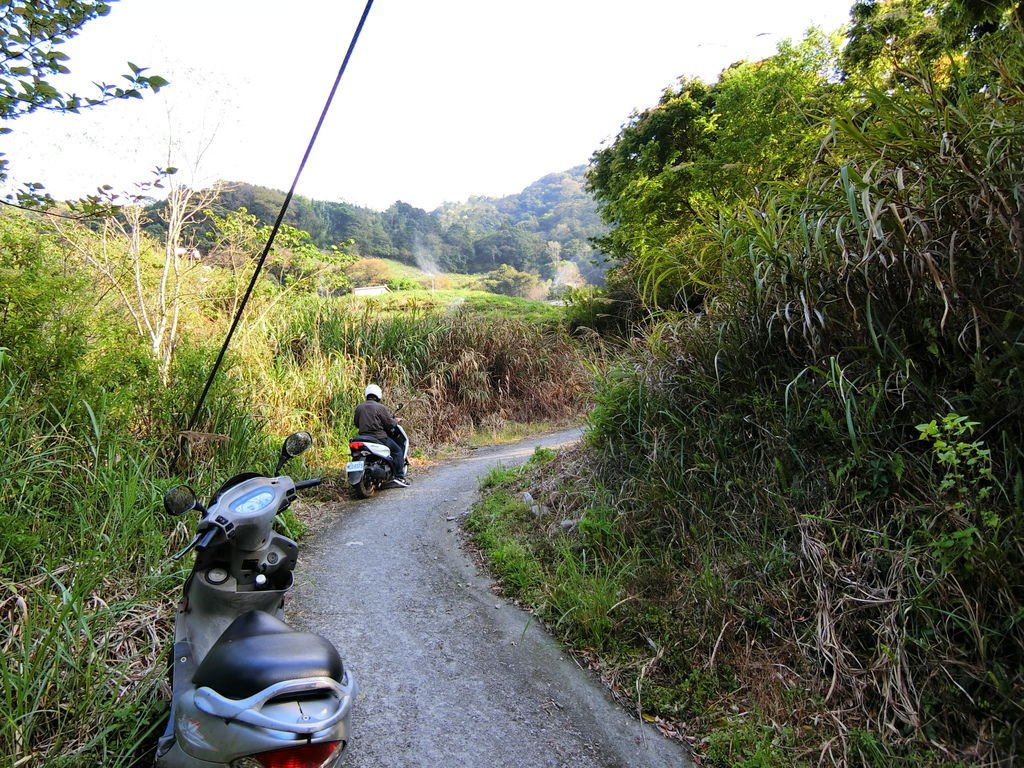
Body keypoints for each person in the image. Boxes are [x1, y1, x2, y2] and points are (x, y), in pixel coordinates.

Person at [353, 384, 408, 487]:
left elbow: (356, 423)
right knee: (397, 451)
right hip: (379, 437)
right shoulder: (380, 407)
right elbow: (389, 423)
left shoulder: (359, 408)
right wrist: (396, 420)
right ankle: (399, 477)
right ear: (378, 395)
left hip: (362, 438)